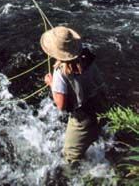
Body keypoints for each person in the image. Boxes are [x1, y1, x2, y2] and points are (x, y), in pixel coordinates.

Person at [40, 26, 107, 163]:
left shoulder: (60, 73)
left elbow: (61, 105)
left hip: (84, 117)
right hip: (101, 104)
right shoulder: (87, 56)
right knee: (97, 134)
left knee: (70, 157)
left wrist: (51, 84)